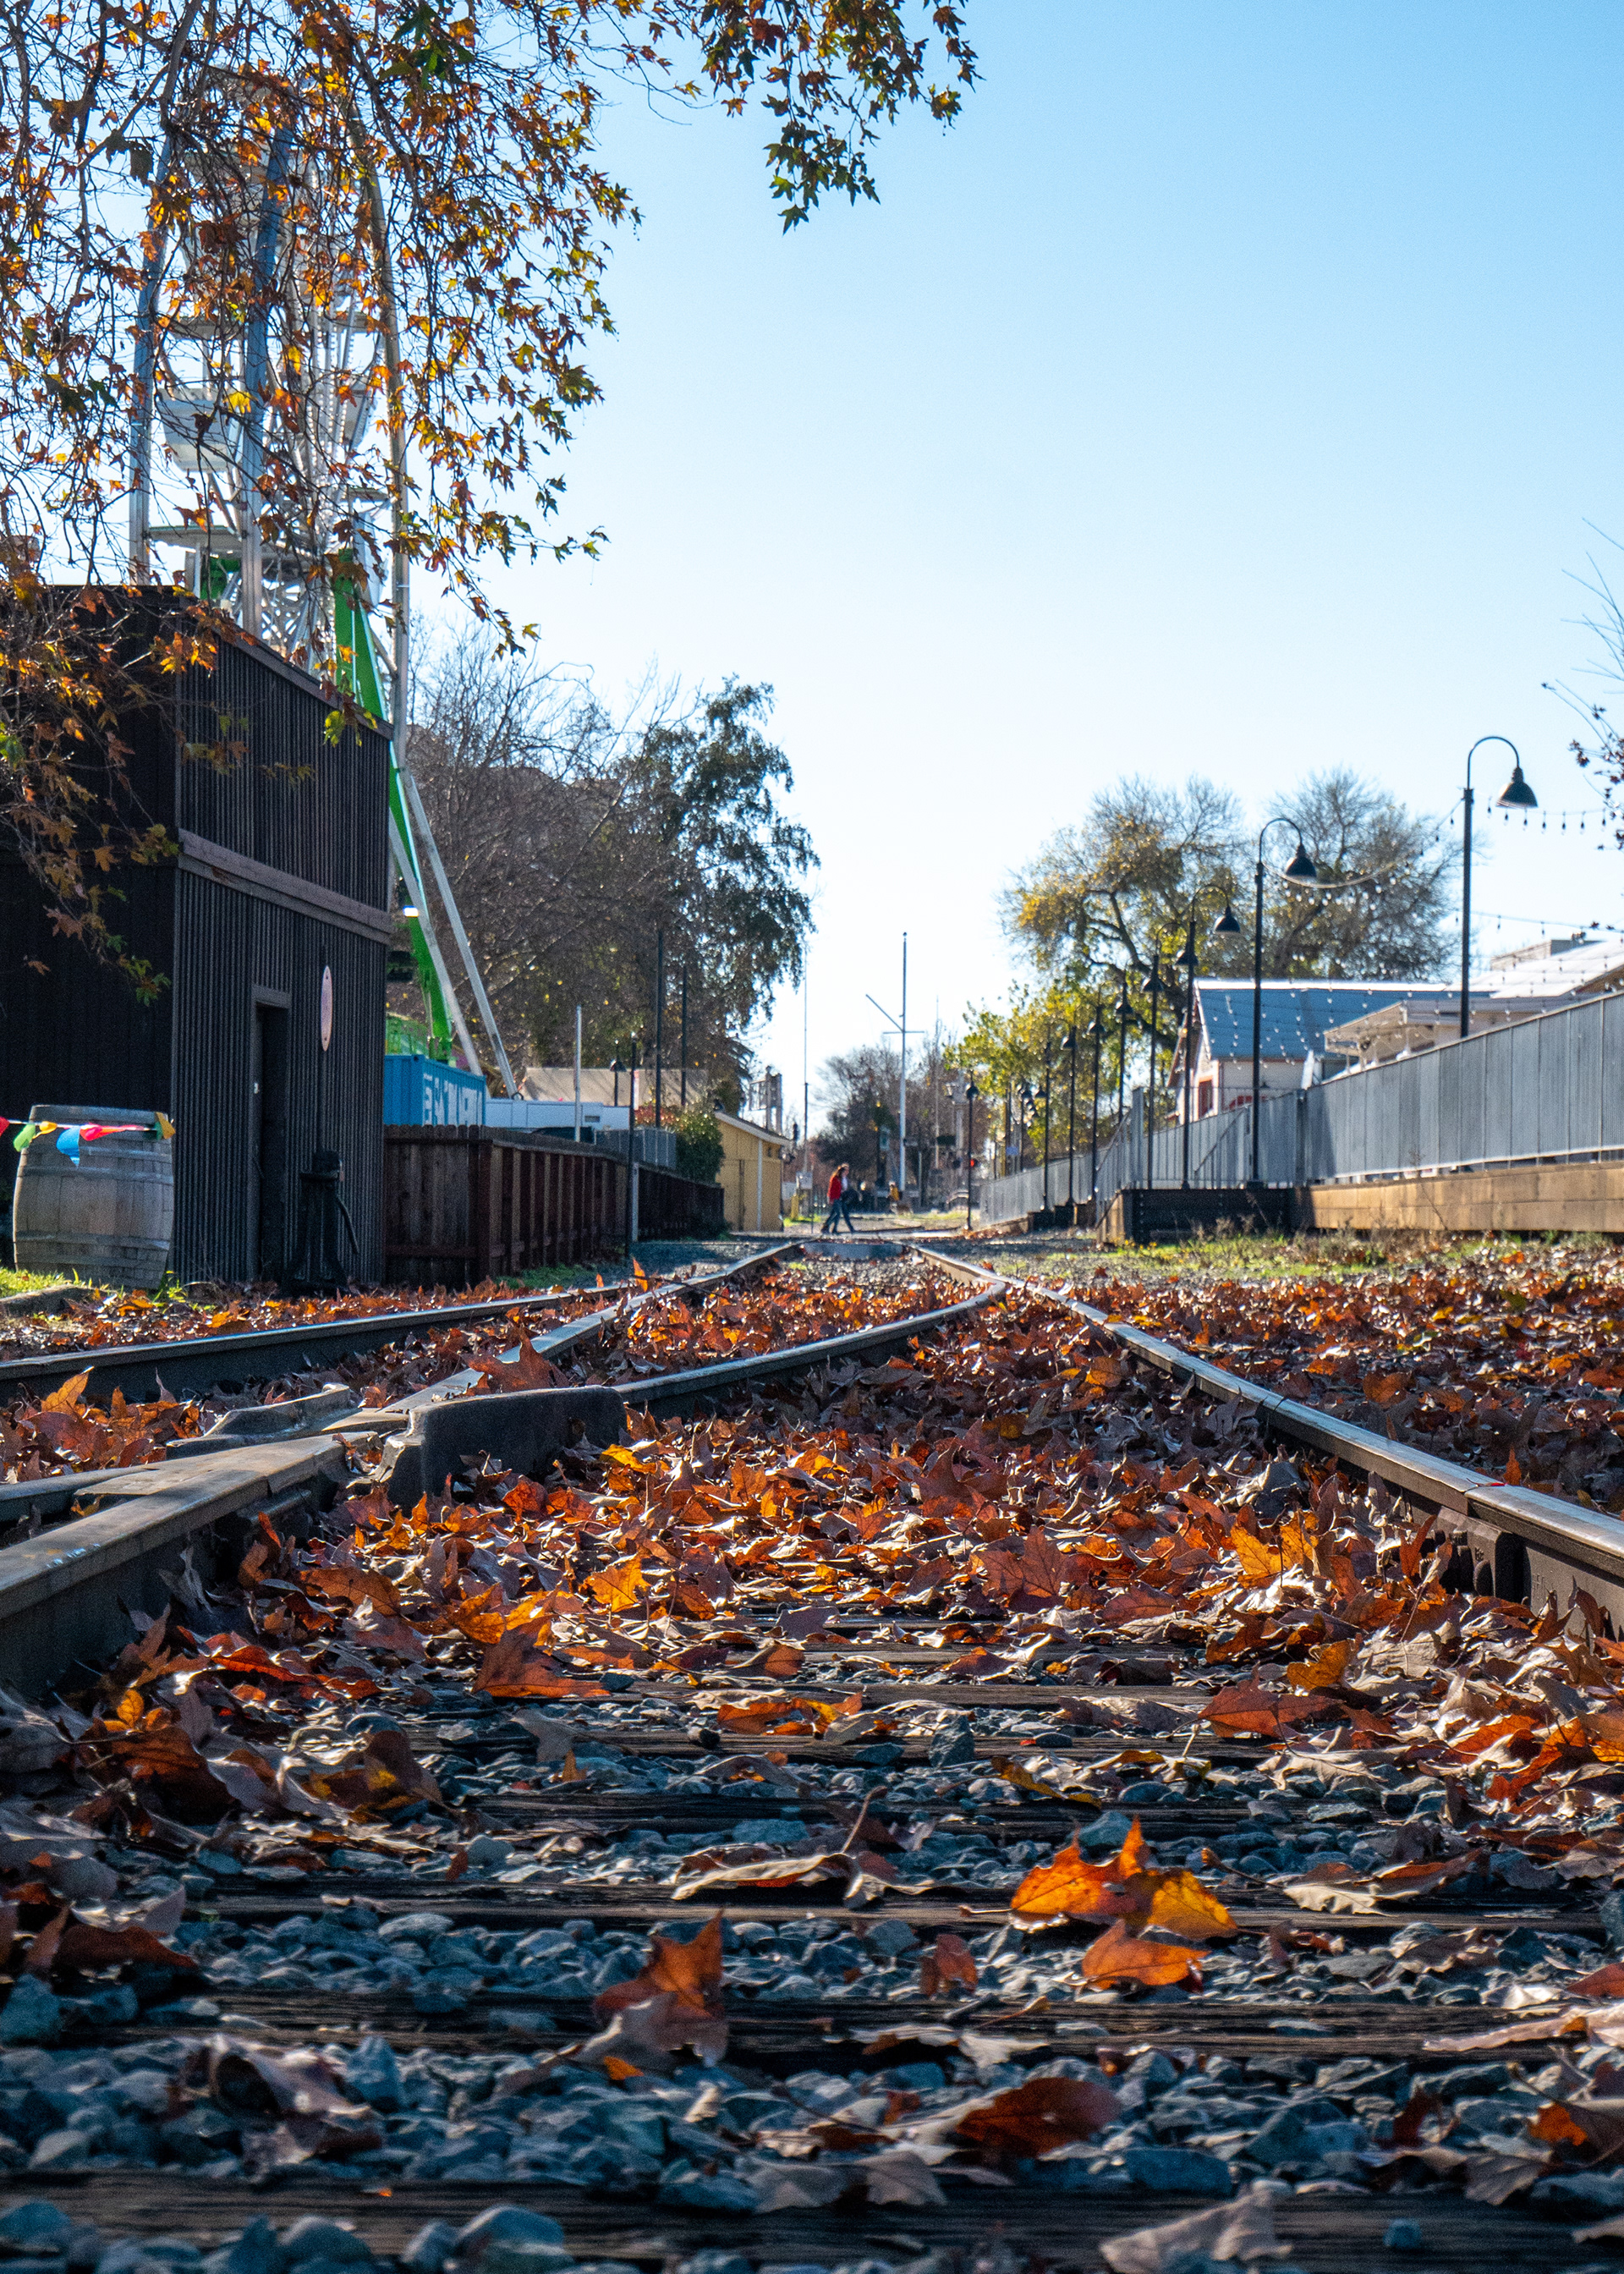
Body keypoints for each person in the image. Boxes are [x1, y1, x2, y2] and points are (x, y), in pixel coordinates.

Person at [821, 1162, 856, 1235]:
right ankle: (827, 1226)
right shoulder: (835, 1179)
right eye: (844, 1172)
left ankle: (832, 1228)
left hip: (839, 1198)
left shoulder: (840, 1179)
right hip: (834, 1198)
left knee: (836, 1214)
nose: (846, 1173)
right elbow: (832, 1189)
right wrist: (831, 1199)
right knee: (837, 1213)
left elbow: (840, 1189)